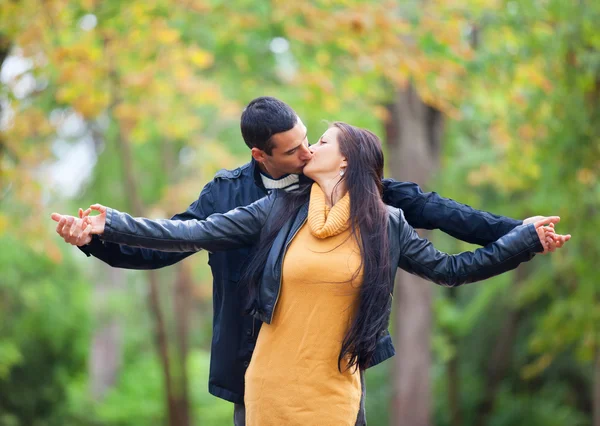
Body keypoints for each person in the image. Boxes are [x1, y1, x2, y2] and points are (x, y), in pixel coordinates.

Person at [52, 97, 568, 425]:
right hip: (261, 373)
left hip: (337, 376)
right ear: (262, 154)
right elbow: (182, 235)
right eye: (297, 147)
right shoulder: (252, 200)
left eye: (314, 141)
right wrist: (103, 231)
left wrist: (520, 234)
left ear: (343, 159)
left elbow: (445, 234)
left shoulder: (379, 216)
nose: (305, 153)